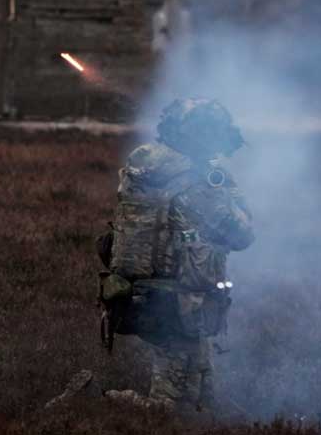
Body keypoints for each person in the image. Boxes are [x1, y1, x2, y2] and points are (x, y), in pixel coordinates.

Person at [97, 98, 254, 413]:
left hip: (142, 293)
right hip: (178, 304)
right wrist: (232, 195)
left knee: (202, 398)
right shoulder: (196, 184)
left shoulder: (144, 166)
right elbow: (241, 235)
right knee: (172, 407)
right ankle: (99, 402)